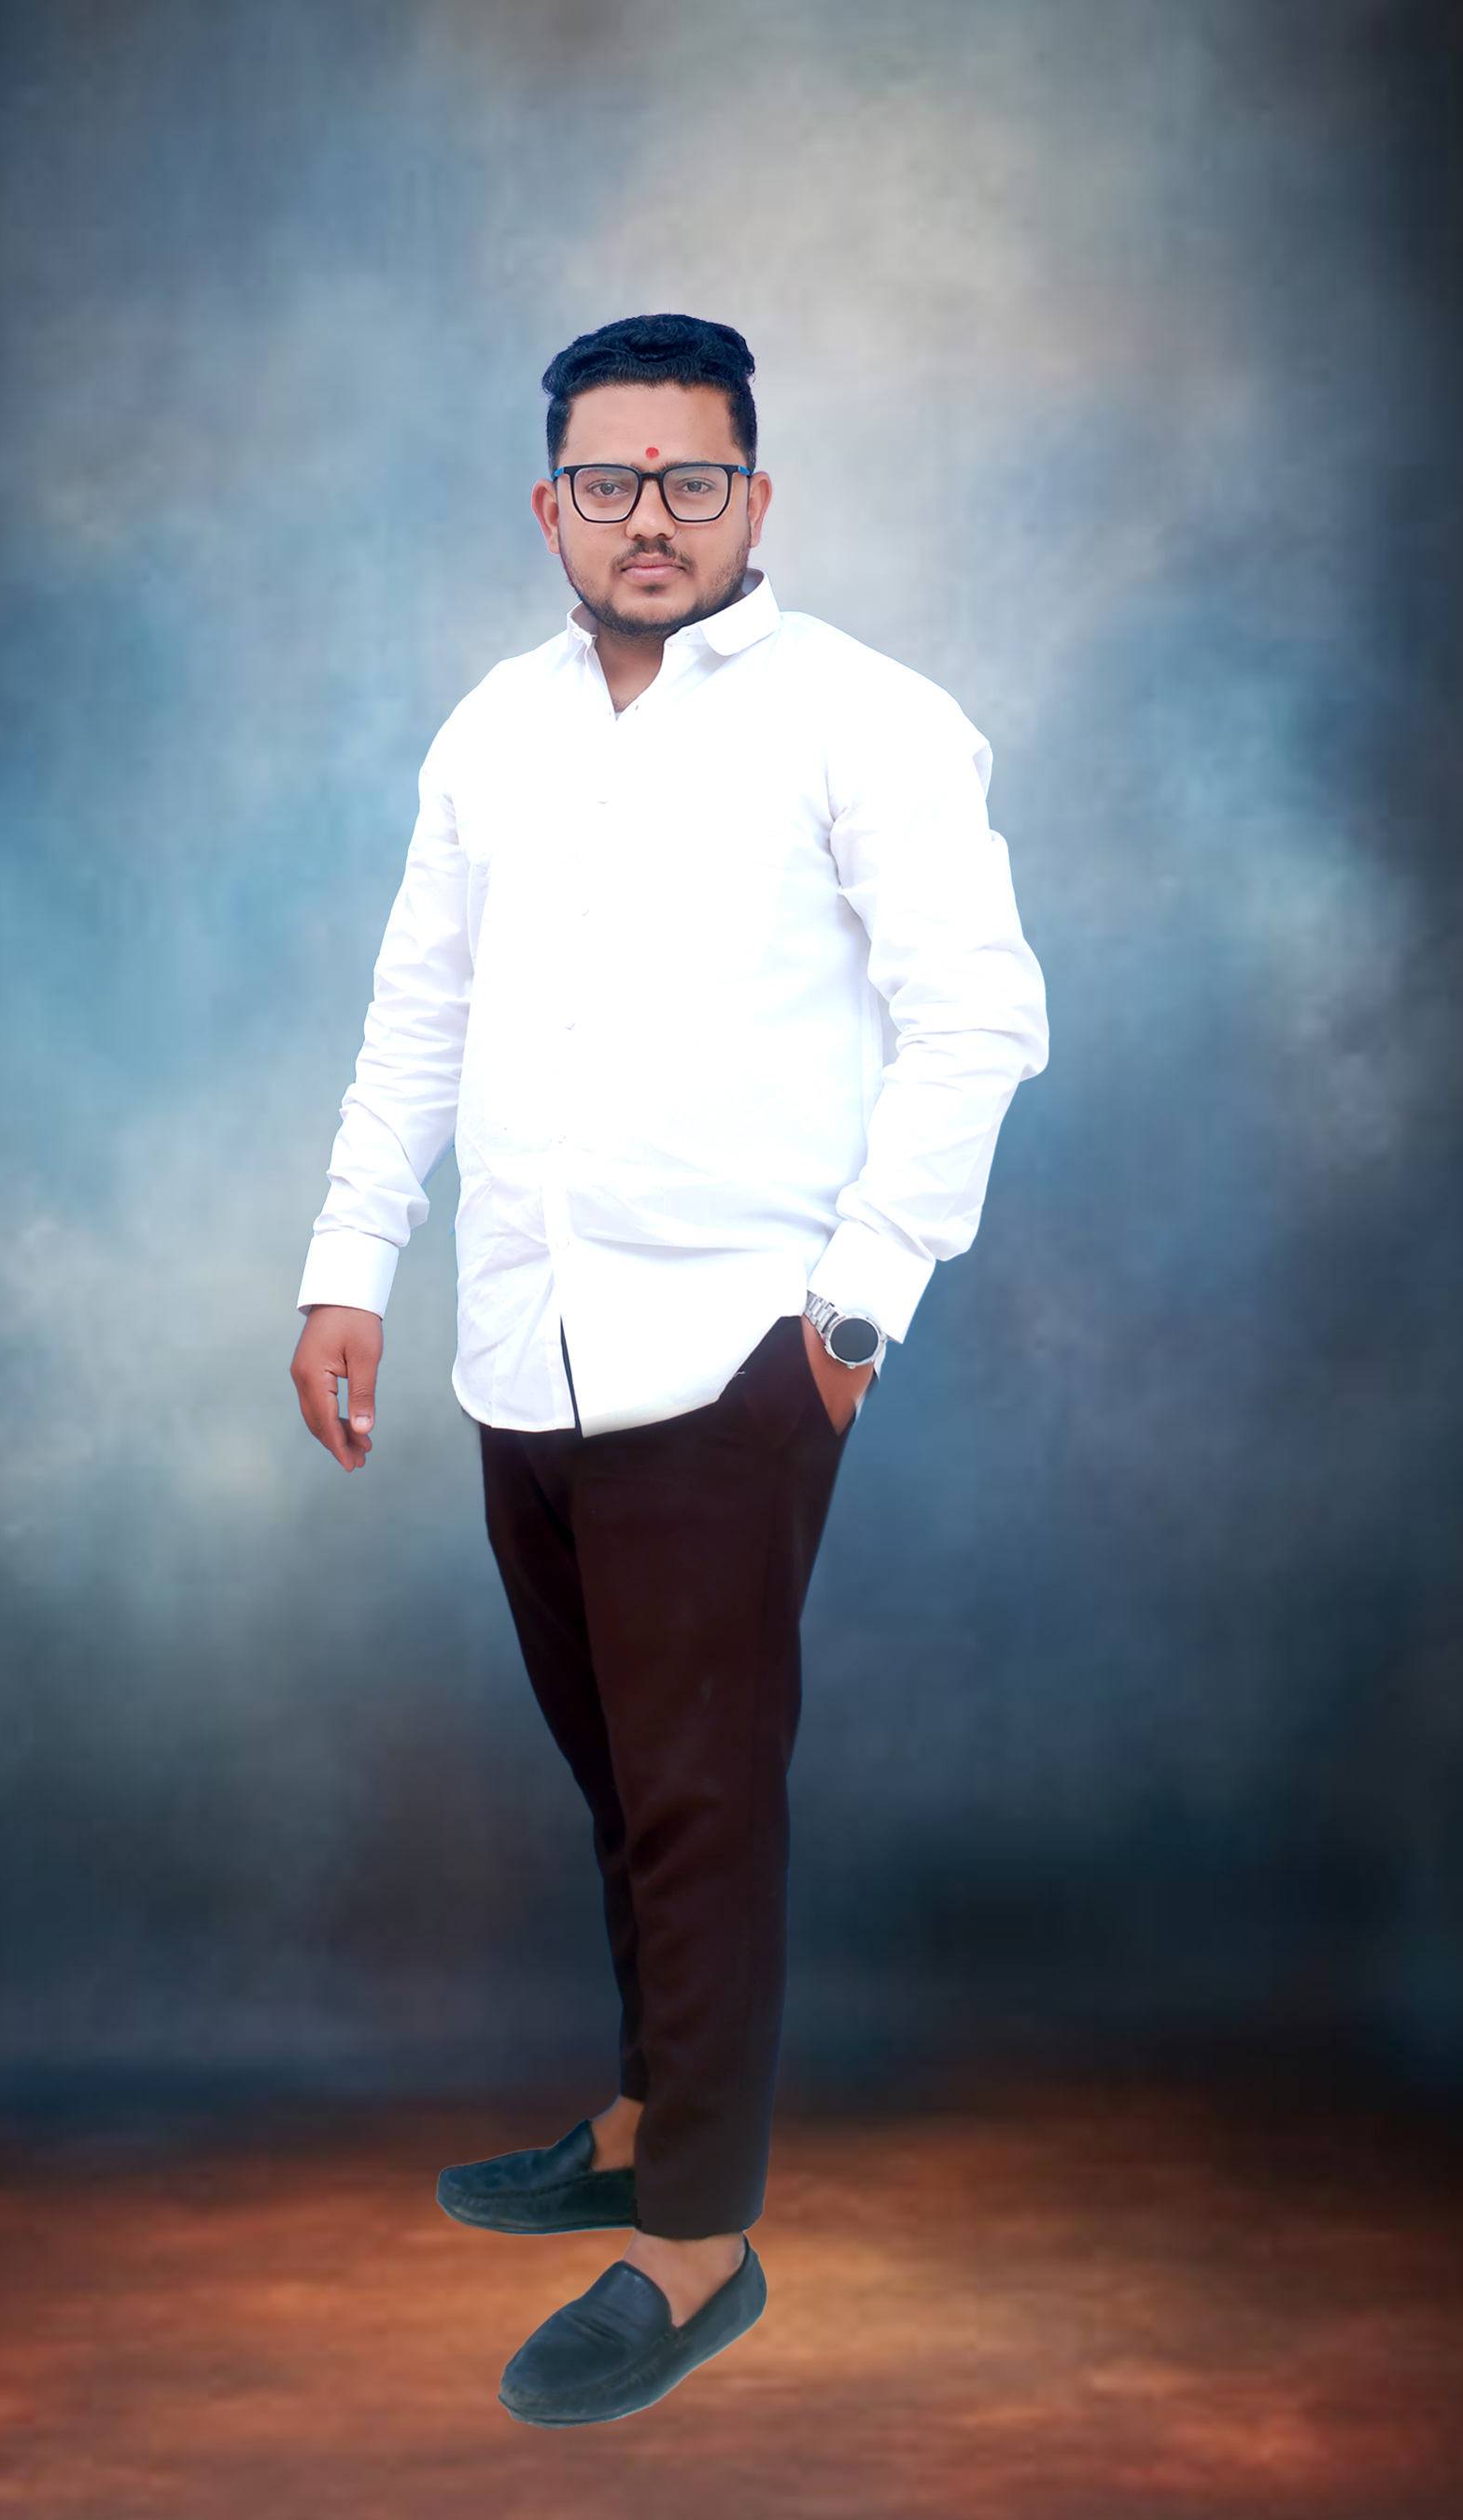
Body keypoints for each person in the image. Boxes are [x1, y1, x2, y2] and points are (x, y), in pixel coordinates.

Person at [289, 312, 1048, 2426]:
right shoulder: (489, 735)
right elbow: (418, 1017)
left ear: (755, 496)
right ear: (551, 506)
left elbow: (977, 1021)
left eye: (692, 479)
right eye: (609, 481)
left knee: (703, 1805)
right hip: (516, 1354)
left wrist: (855, 1310)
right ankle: (644, 2120)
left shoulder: (869, 723)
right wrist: (351, 1265)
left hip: (734, 1360)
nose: (652, 517)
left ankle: (699, 2245)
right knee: (621, 1779)